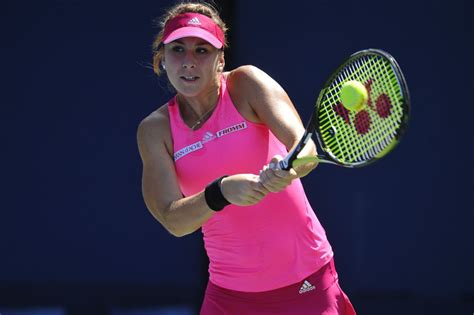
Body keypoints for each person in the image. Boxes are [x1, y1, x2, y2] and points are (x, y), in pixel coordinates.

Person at [137, 2, 356, 314]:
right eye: (178, 50)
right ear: (162, 58)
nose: (189, 62)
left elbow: (303, 147)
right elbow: (173, 220)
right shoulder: (154, 130)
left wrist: (289, 170)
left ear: (220, 59)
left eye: (202, 51)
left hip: (306, 285)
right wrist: (221, 192)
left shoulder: (246, 84)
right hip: (229, 298)